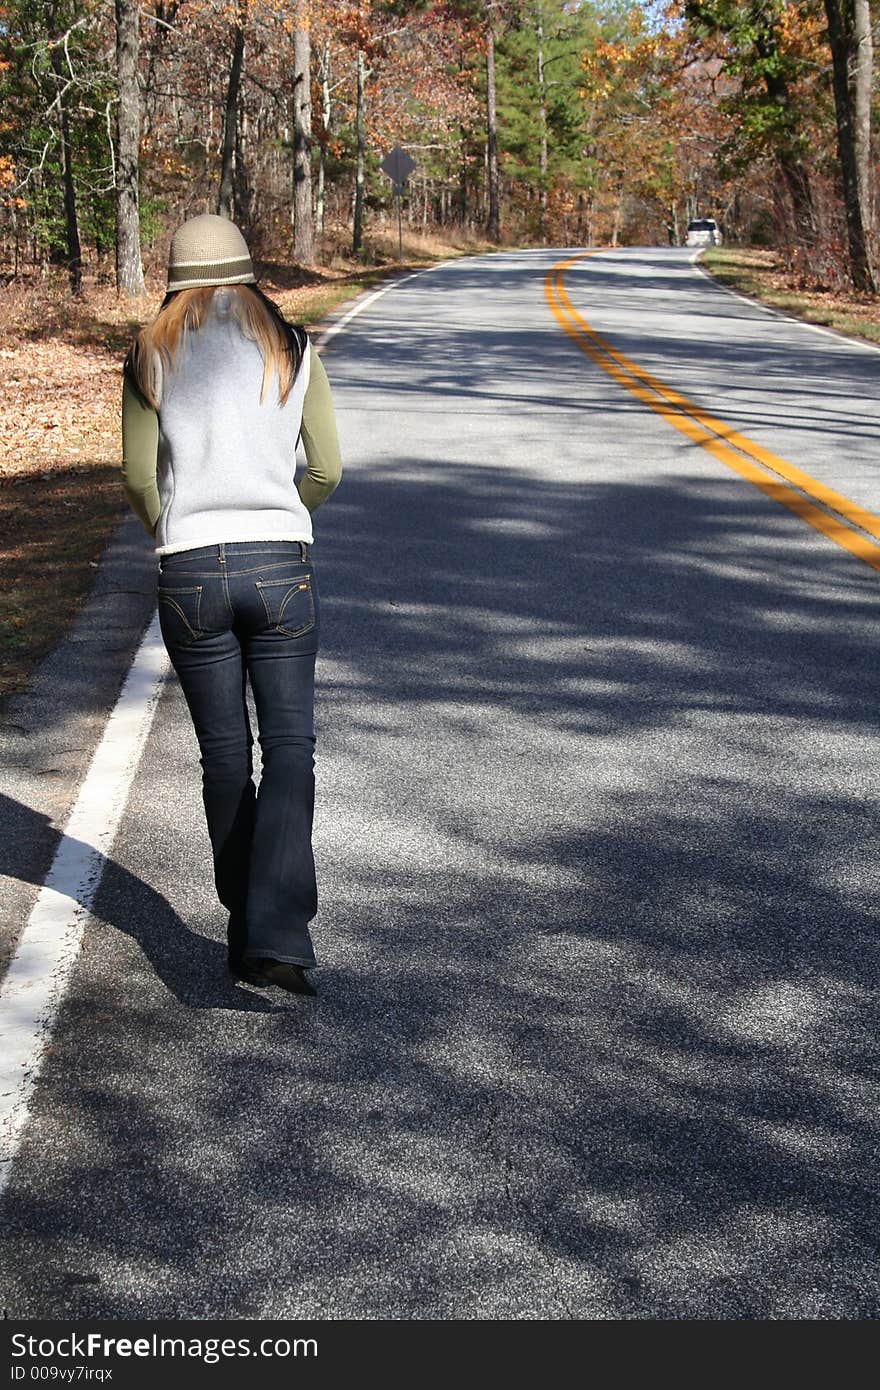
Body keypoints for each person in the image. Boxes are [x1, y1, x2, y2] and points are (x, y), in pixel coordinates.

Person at [119, 213, 342, 997]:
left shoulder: (151, 351)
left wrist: (174, 528)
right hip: (281, 562)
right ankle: (279, 933)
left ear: (175, 277)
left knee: (224, 754)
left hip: (189, 570)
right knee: (291, 746)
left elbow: (139, 475)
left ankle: (247, 931)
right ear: (248, 272)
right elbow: (329, 468)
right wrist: (285, 514)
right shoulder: (291, 343)